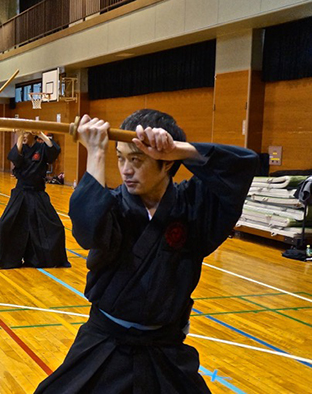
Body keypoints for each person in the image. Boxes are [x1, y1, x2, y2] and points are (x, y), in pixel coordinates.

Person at [35, 109, 259, 393]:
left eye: (136, 160)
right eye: (121, 158)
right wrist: (96, 153)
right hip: (104, 346)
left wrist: (181, 150)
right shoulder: (113, 206)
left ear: (166, 163)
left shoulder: (194, 206)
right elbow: (86, 229)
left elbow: (243, 165)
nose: (126, 170)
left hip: (166, 350)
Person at [0, 131, 69, 269]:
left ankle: (58, 259)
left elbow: (54, 150)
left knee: (57, 227)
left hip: (38, 194)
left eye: (27, 134)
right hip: (21, 193)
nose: (24, 136)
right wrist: (21, 135)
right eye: (22, 134)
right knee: (4, 224)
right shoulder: (21, 148)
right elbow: (15, 158)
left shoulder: (42, 148)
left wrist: (40, 133)